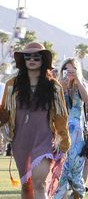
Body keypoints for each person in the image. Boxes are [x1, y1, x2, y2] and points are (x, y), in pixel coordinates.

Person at [0, 42, 71, 199]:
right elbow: (4, 111)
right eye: (28, 57)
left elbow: (60, 116)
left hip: (44, 140)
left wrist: (64, 139)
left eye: (36, 57)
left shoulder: (54, 87)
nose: (32, 60)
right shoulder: (12, 85)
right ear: (23, 60)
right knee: (27, 188)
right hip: (20, 142)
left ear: (43, 61)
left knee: (39, 184)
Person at [54, 57, 88, 199]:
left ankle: (76, 195)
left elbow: (86, 99)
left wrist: (77, 79)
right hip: (61, 133)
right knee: (61, 172)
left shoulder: (82, 85)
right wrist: (62, 84)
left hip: (77, 135)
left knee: (76, 173)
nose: (68, 73)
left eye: (71, 70)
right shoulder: (59, 85)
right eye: (66, 70)